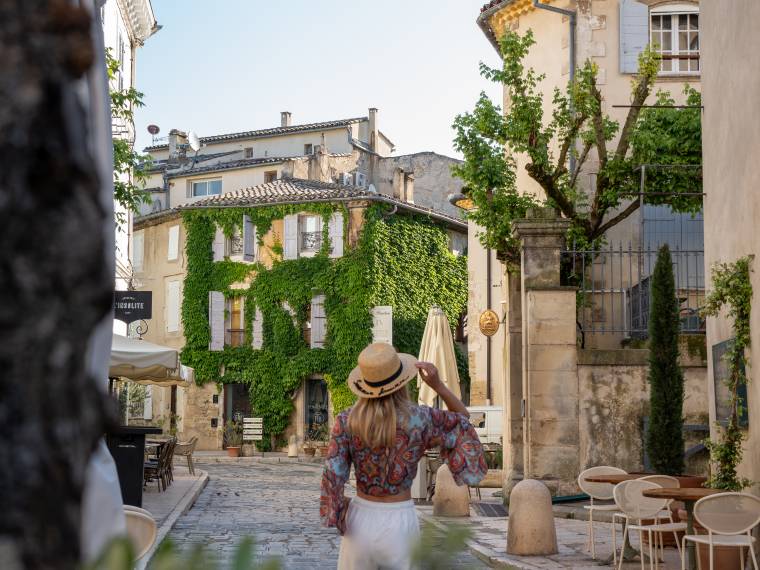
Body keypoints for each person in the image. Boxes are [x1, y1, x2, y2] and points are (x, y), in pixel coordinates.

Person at [320, 343, 487, 569]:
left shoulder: (347, 420)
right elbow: (463, 421)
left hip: (359, 519)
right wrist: (439, 386)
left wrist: (338, 510)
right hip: (400, 522)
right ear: (401, 383)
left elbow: (333, 475)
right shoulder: (419, 419)